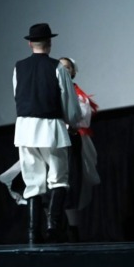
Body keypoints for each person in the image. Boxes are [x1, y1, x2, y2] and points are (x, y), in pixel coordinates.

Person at [12, 23, 81, 244]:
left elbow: (17, 95)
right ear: (49, 43)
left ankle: (33, 232)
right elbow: (68, 100)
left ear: (30, 43)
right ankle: (53, 228)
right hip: (51, 128)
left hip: (25, 129)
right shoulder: (57, 67)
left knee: (32, 181)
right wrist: (72, 122)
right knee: (58, 179)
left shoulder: (19, 67)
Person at [58, 56, 101, 242]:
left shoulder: (78, 95)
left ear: (73, 72)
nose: (64, 70)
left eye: (67, 67)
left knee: (72, 183)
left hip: (71, 141)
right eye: (60, 67)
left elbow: (82, 120)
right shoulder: (51, 91)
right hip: (53, 141)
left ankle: (72, 229)